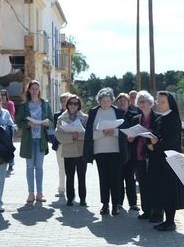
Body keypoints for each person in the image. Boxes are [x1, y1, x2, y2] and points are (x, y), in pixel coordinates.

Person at [144, 91, 184, 231]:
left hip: (169, 162)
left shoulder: (173, 118)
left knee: (169, 192)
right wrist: (149, 142)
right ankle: (162, 218)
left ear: (169, 103)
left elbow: (171, 140)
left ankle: (170, 221)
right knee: (161, 191)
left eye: (162, 102)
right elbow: (154, 135)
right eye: (158, 101)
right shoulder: (159, 118)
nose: (159, 104)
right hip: (158, 161)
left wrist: (155, 144)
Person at [83, 88, 128, 216]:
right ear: (99, 101)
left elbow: (124, 131)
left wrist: (114, 132)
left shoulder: (118, 112)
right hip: (99, 150)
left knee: (115, 178)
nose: (106, 103)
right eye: (103, 101)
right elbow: (89, 134)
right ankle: (105, 205)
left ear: (112, 100)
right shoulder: (93, 112)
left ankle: (115, 205)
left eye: (108, 101)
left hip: (115, 150)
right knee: (103, 178)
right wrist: (102, 133)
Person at [17, 80, 51, 204]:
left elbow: (52, 121)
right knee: (30, 167)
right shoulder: (24, 106)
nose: (34, 91)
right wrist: (27, 124)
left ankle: (40, 193)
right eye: (32, 88)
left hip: (41, 140)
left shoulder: (45, 104)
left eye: (36, 88)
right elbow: (19, 122)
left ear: (39, 90)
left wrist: (47, 123)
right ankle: (31, 193)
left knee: (40, 167)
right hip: (28, 140)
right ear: (29, 90)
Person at [57, 95, 88, 207]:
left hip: (81, 151)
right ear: (67, 105)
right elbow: (59, 136)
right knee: (69, 177)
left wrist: (78, 135)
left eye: (75, 103)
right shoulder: (61, 118)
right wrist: (71, 137)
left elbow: (89, 134)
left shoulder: (85, 118)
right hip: (68, 151)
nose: (73, 106)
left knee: (82, 176)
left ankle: (83, 199)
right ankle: (70, 199)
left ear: (79, 105)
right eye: (71, 103)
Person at [132, 90, 157, 220]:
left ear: (150, 102)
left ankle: (155, 212)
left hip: (152, 157)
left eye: (144, 101)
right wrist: (130, 138)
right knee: (142, 185)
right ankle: (146, 211)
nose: (142, 104)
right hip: (139, 157)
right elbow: (132, 138)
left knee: (153, 185)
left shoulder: (157, 118)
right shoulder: (136, 119)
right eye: (139, 101)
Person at [116, 93, 139, 212]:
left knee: (130, 179)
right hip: (117, 151)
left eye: (124, 101)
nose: (122, 103)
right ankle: (119, 202)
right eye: (119, 101)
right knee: (118, 179)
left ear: (129, 102)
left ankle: (133, 203)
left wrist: (133, 137)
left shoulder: (134, 116)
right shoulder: (114, 115)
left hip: (130, 151)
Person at [52, 93, 70, 198]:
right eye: (62, 101)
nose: (64, 103)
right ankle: (61, 189)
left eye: (66, 100)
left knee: (71, 168)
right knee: (61, 167)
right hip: (59, 143)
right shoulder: (56, 115)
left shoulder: (75, 114)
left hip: (71, 144)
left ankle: (70, 187)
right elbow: (56, 130)